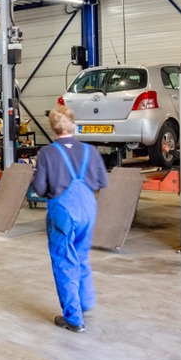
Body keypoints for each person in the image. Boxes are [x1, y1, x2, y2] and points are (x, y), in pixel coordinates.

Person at [30, 105, 109, 333]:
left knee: (65, 261)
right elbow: (102, 182)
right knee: (81, 255)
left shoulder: (47, 153)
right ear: (74, 124)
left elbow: (39, 188)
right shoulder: (90, 151)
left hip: (63, 212)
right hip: (88, 209)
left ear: (52, 127)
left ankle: (73, 318)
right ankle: (85, 301)